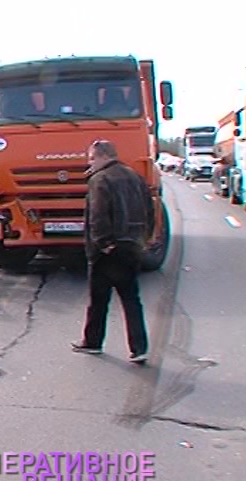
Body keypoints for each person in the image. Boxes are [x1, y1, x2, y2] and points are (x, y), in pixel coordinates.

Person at [71, 140, 152, 364]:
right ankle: (139, 348)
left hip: (107, 251)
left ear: (103, 156)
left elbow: (98, 215)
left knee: (98, 300)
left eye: (91, 158)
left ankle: (93, 342)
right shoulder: (134, 176)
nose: (89, 163)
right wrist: (144, 239)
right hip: (132, 246)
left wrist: (103, 243)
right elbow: (150, 209)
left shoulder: (100, 179)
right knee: (131, 300)